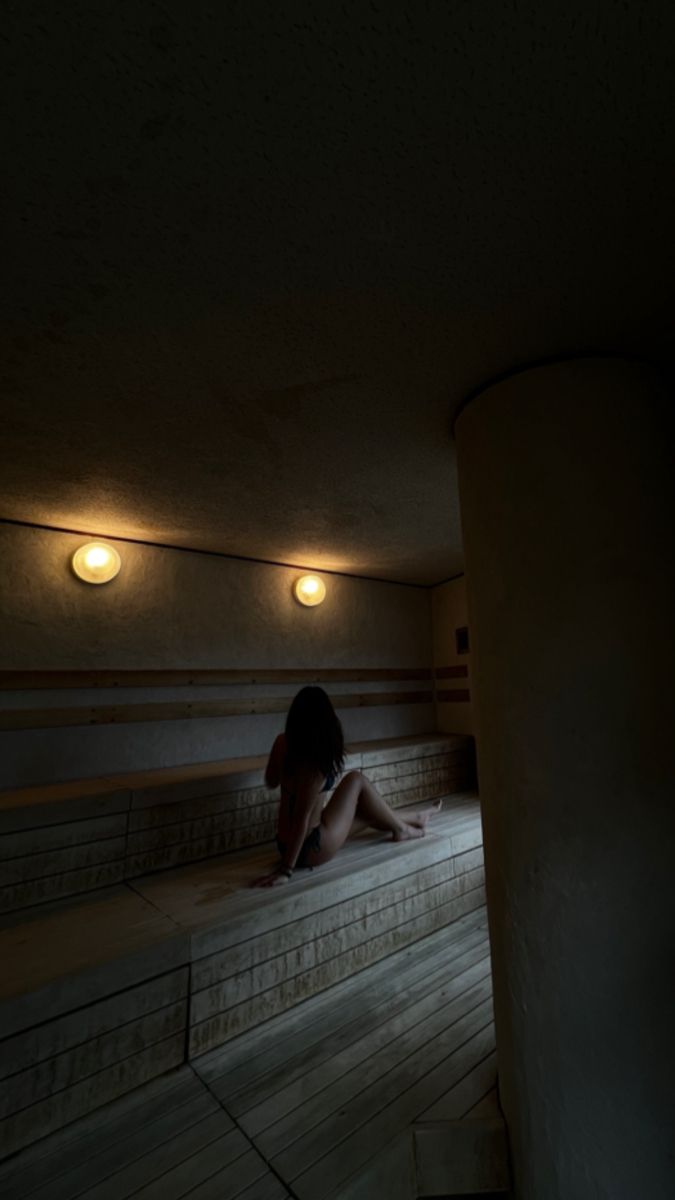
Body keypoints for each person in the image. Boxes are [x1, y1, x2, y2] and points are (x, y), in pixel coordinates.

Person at [251, 685, 441, 887]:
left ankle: (415, 818)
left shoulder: (282, 742)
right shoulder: (313, 763)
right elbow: (301, 820)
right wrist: (285, 871)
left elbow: (271, 781)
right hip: (310, 848)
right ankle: (403, 829)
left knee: (369, 811)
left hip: (285, 843)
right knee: (356, 780)